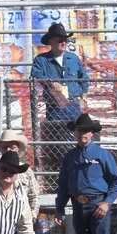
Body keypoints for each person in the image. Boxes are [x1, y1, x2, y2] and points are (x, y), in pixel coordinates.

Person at [31, 23, 89, 175]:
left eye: (65, 40)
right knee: (55, 141)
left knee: (78, 138)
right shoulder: (41, 60)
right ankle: (57, 172)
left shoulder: (73, 58)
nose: (64, 42)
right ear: (51, 41)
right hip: (54, 107)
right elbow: (36, 75)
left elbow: (84, 78)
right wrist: (51, 82)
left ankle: (78, 170)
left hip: (74, 105)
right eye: (60, 40)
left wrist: (84, 98)